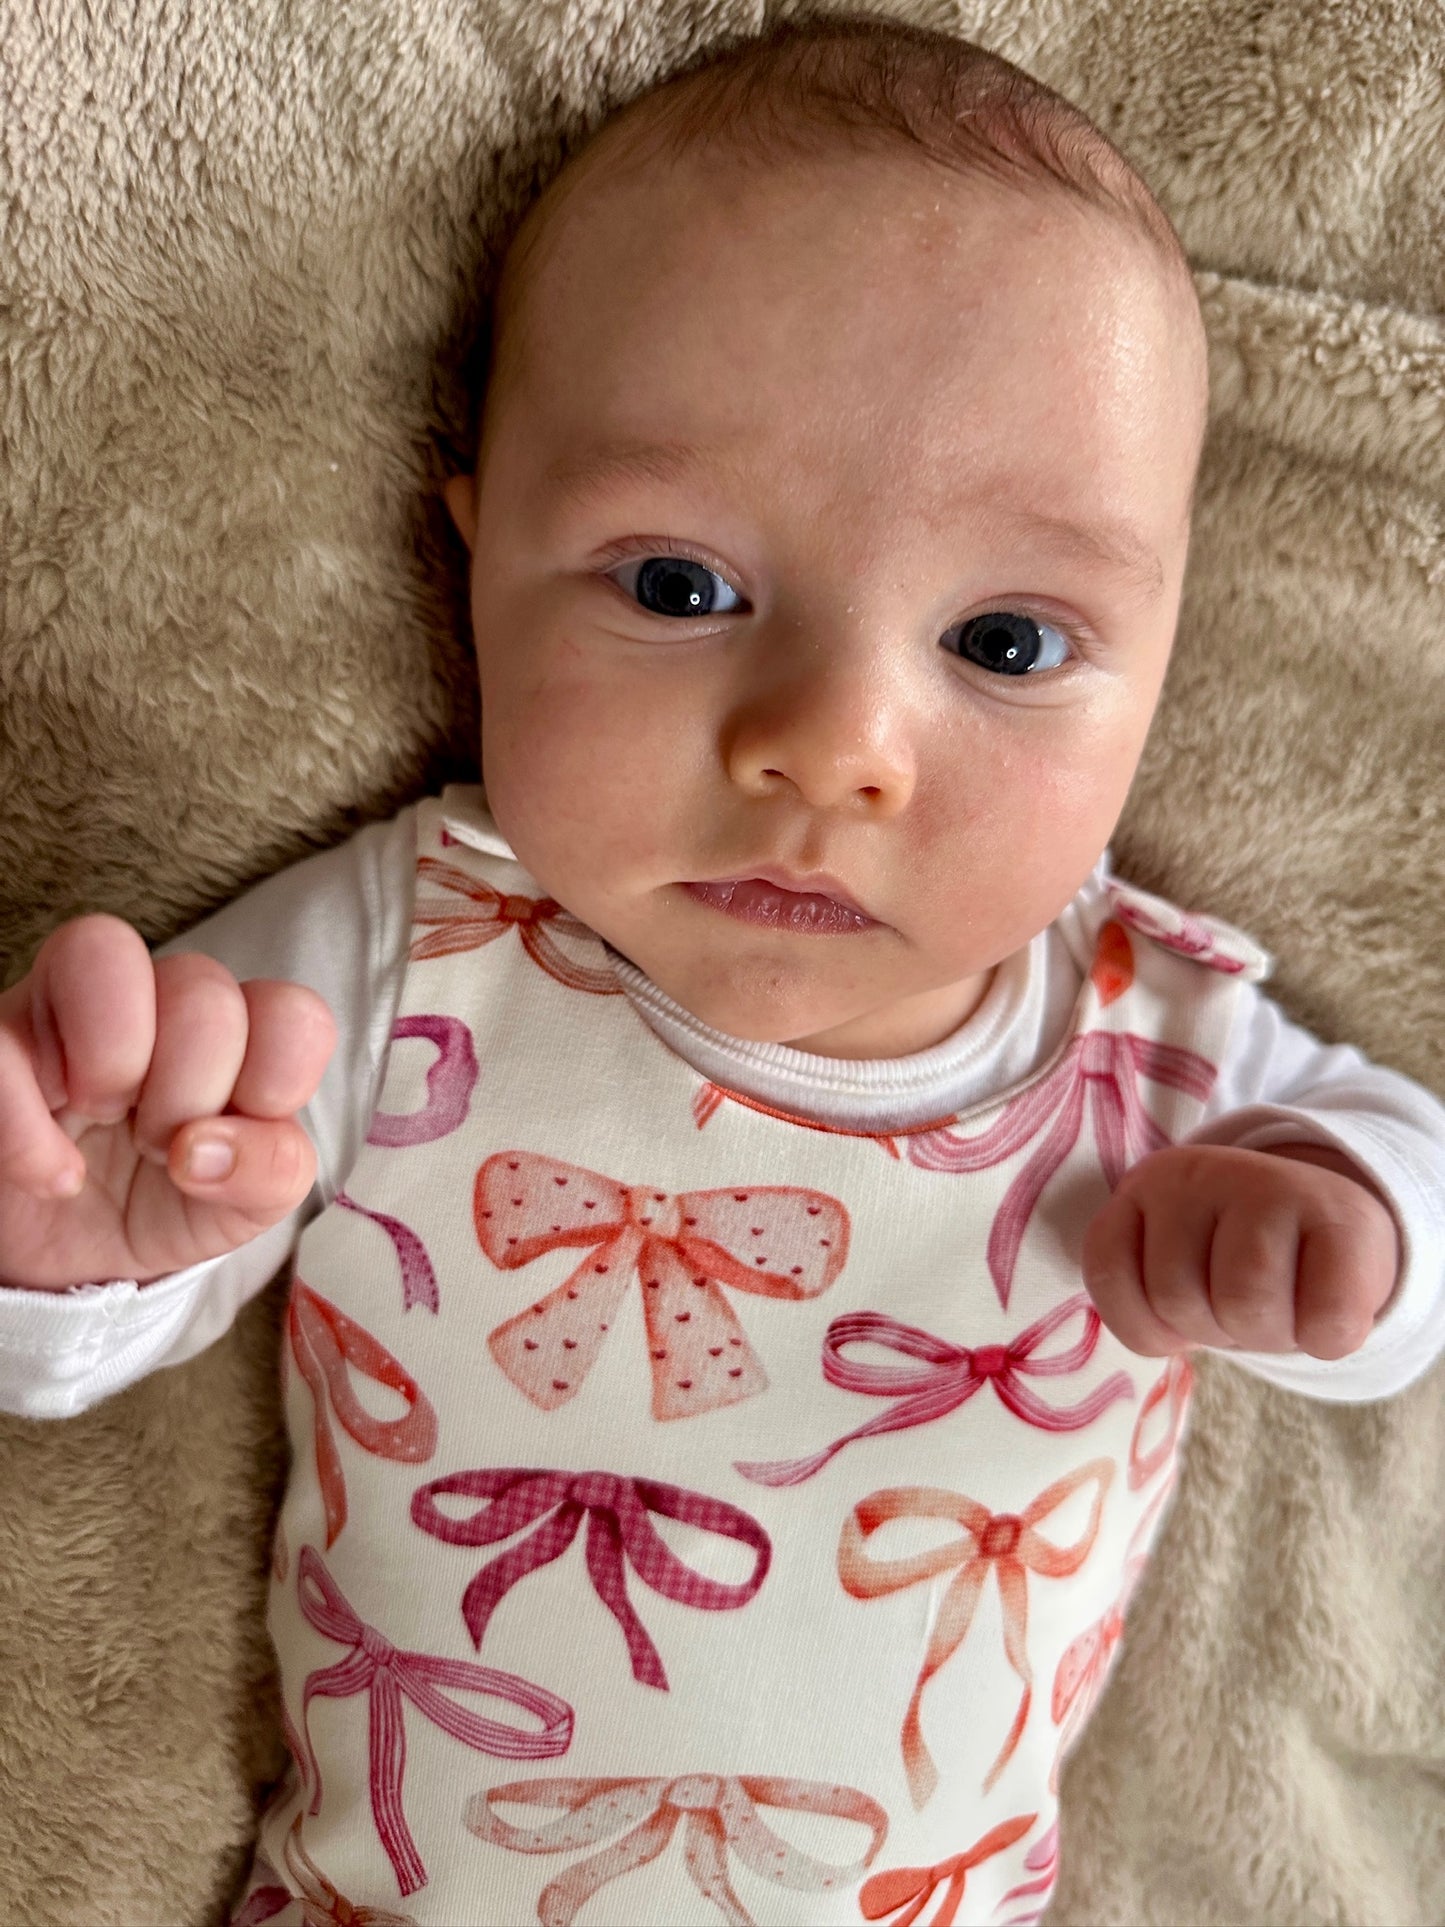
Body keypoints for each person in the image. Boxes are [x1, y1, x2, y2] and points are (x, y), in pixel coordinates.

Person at [1, 16, 1441, 1925]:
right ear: (475, 558)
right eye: (679, 589)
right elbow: (101, 1311)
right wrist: (76, 1250)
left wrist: (1350, 1229)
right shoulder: (405, 951)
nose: (832, 743)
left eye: (1006, 640)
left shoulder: (1159, 1040)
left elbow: (1405, 1244)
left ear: (1161, 664)